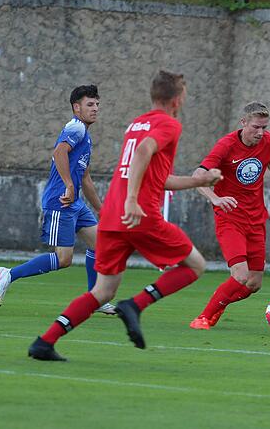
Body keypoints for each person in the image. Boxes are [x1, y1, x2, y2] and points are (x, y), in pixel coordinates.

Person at [28, 70, 222, 361]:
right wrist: (133, 199)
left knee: (103, 291)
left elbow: (157, 176)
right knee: (195, 265)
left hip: (113, 217)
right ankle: (136, 305)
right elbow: (144, 153)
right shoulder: (170, 124)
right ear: (178, 99)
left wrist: (198, 181)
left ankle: (44, 342)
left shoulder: (137, 124)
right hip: (139, 215)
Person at [188, 102, 270, 330]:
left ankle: (218, 303)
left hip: (256, 219)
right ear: (243, 123)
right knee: (240, 275)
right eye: (256, 127)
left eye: (264, 127)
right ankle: (203, 318)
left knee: (253, 284)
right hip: (229, 218)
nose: (261, 133)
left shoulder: (268, 141)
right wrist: (215, 198)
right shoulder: (226, 145)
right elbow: (198, 175)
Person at [0, 85, 115, 314]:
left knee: (101, 245)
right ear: (76, 108)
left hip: (75, 203)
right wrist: (69, 184)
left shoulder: (85, 137)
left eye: (97, 104)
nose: (96, 108)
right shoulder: (75, 128)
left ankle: (95, 299)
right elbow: (59, 152)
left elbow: (86, 177)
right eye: (90, 104)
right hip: (61, 201)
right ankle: (9, 274)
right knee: (64, 258)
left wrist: (101, 208)